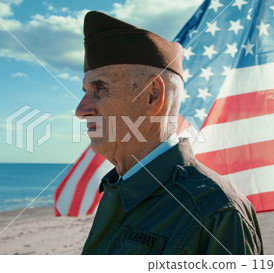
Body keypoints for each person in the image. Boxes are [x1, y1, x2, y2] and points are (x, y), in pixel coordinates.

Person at [76, 11, 263, 255]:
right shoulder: (118, 189)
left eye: (99, 88)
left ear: (153, 95)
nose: (81, 110)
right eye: (85, 91)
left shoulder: (216, 213)